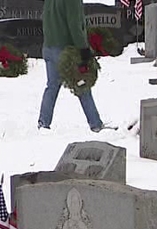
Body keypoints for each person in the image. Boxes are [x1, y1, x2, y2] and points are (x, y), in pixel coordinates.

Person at [38, 0, 111, 132]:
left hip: (49, 46)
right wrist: (83, 49)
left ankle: (43, 123)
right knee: (82, 85)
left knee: (52, 86)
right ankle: (95, 124)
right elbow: (75, 24)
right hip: (66, 50)